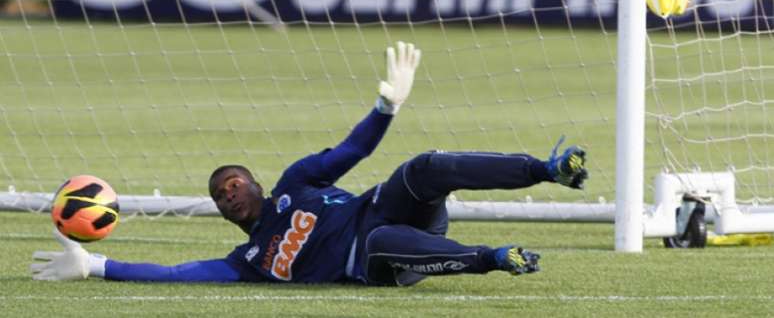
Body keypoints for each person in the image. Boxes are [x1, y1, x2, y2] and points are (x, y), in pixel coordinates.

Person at [31, 42, 588, 285]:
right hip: (380, 263)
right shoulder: (247, 262)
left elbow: (354, 151)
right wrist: (97, 267)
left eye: (232, 182)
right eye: (220, 194)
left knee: (423, 168)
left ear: (255, 182)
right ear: (225, 213)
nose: (228, 193)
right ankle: (494, 257)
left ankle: (548, 169)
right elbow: (177, 274)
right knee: (378, 241)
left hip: (384, 211)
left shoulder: (298, 181)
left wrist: (386, 106)